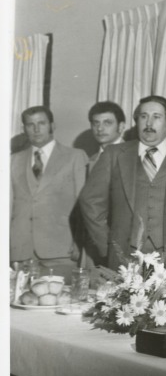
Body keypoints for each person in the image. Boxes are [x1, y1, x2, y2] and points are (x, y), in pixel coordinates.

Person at [80, 96, 166, 270]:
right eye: (143, 116)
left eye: (156, 117)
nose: (149, 123)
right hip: (124, 258)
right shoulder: (114, 154)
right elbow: (90, 201)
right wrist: (109, 245)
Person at [10, 106, 88, 278]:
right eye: (30, 124)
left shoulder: (75, 156)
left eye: (41, 123)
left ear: (52, 125)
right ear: (24, 129)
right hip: (21, 251)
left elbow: (84, 204)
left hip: (62, 249)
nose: (36, 129)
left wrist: (80, 242)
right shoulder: (12, 160)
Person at [88, 101, 126, 172]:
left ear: (121, 126)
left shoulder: (133, 156)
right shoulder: (92, 159)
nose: (99, 128)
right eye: (96, 123)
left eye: (107, 123)